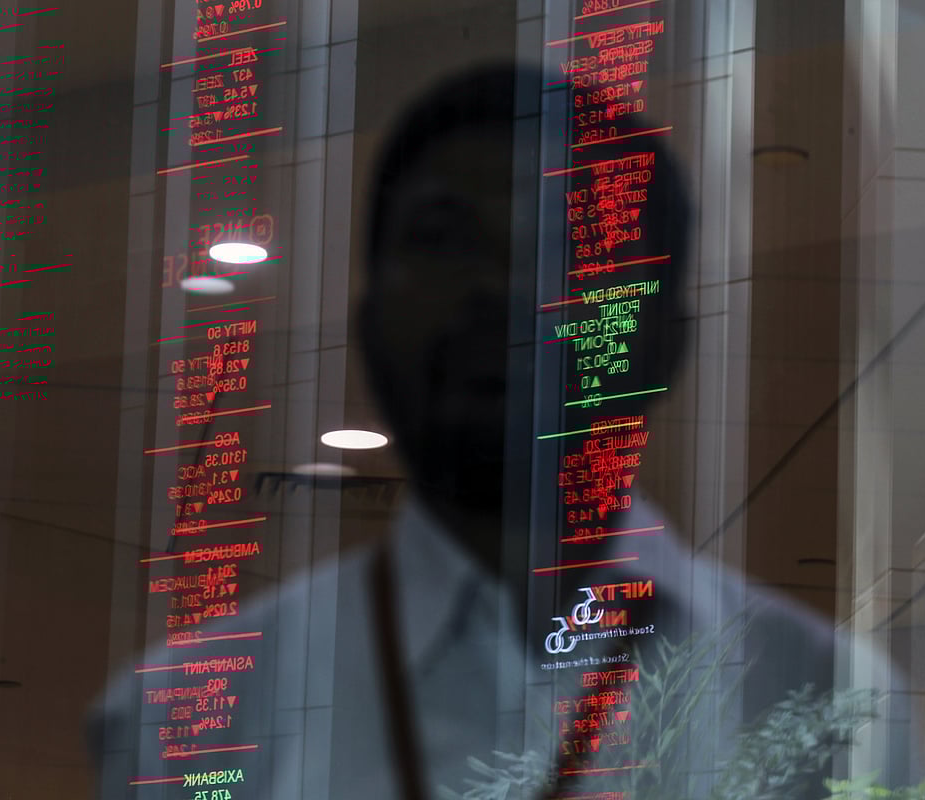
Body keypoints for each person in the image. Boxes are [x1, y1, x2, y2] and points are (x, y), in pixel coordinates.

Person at [89, 64, 851, 800]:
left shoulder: (822, 697)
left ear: (669, 341)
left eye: (569, 247)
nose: (502, 288)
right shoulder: (177, 727)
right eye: (445, 240)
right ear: (368, 323)